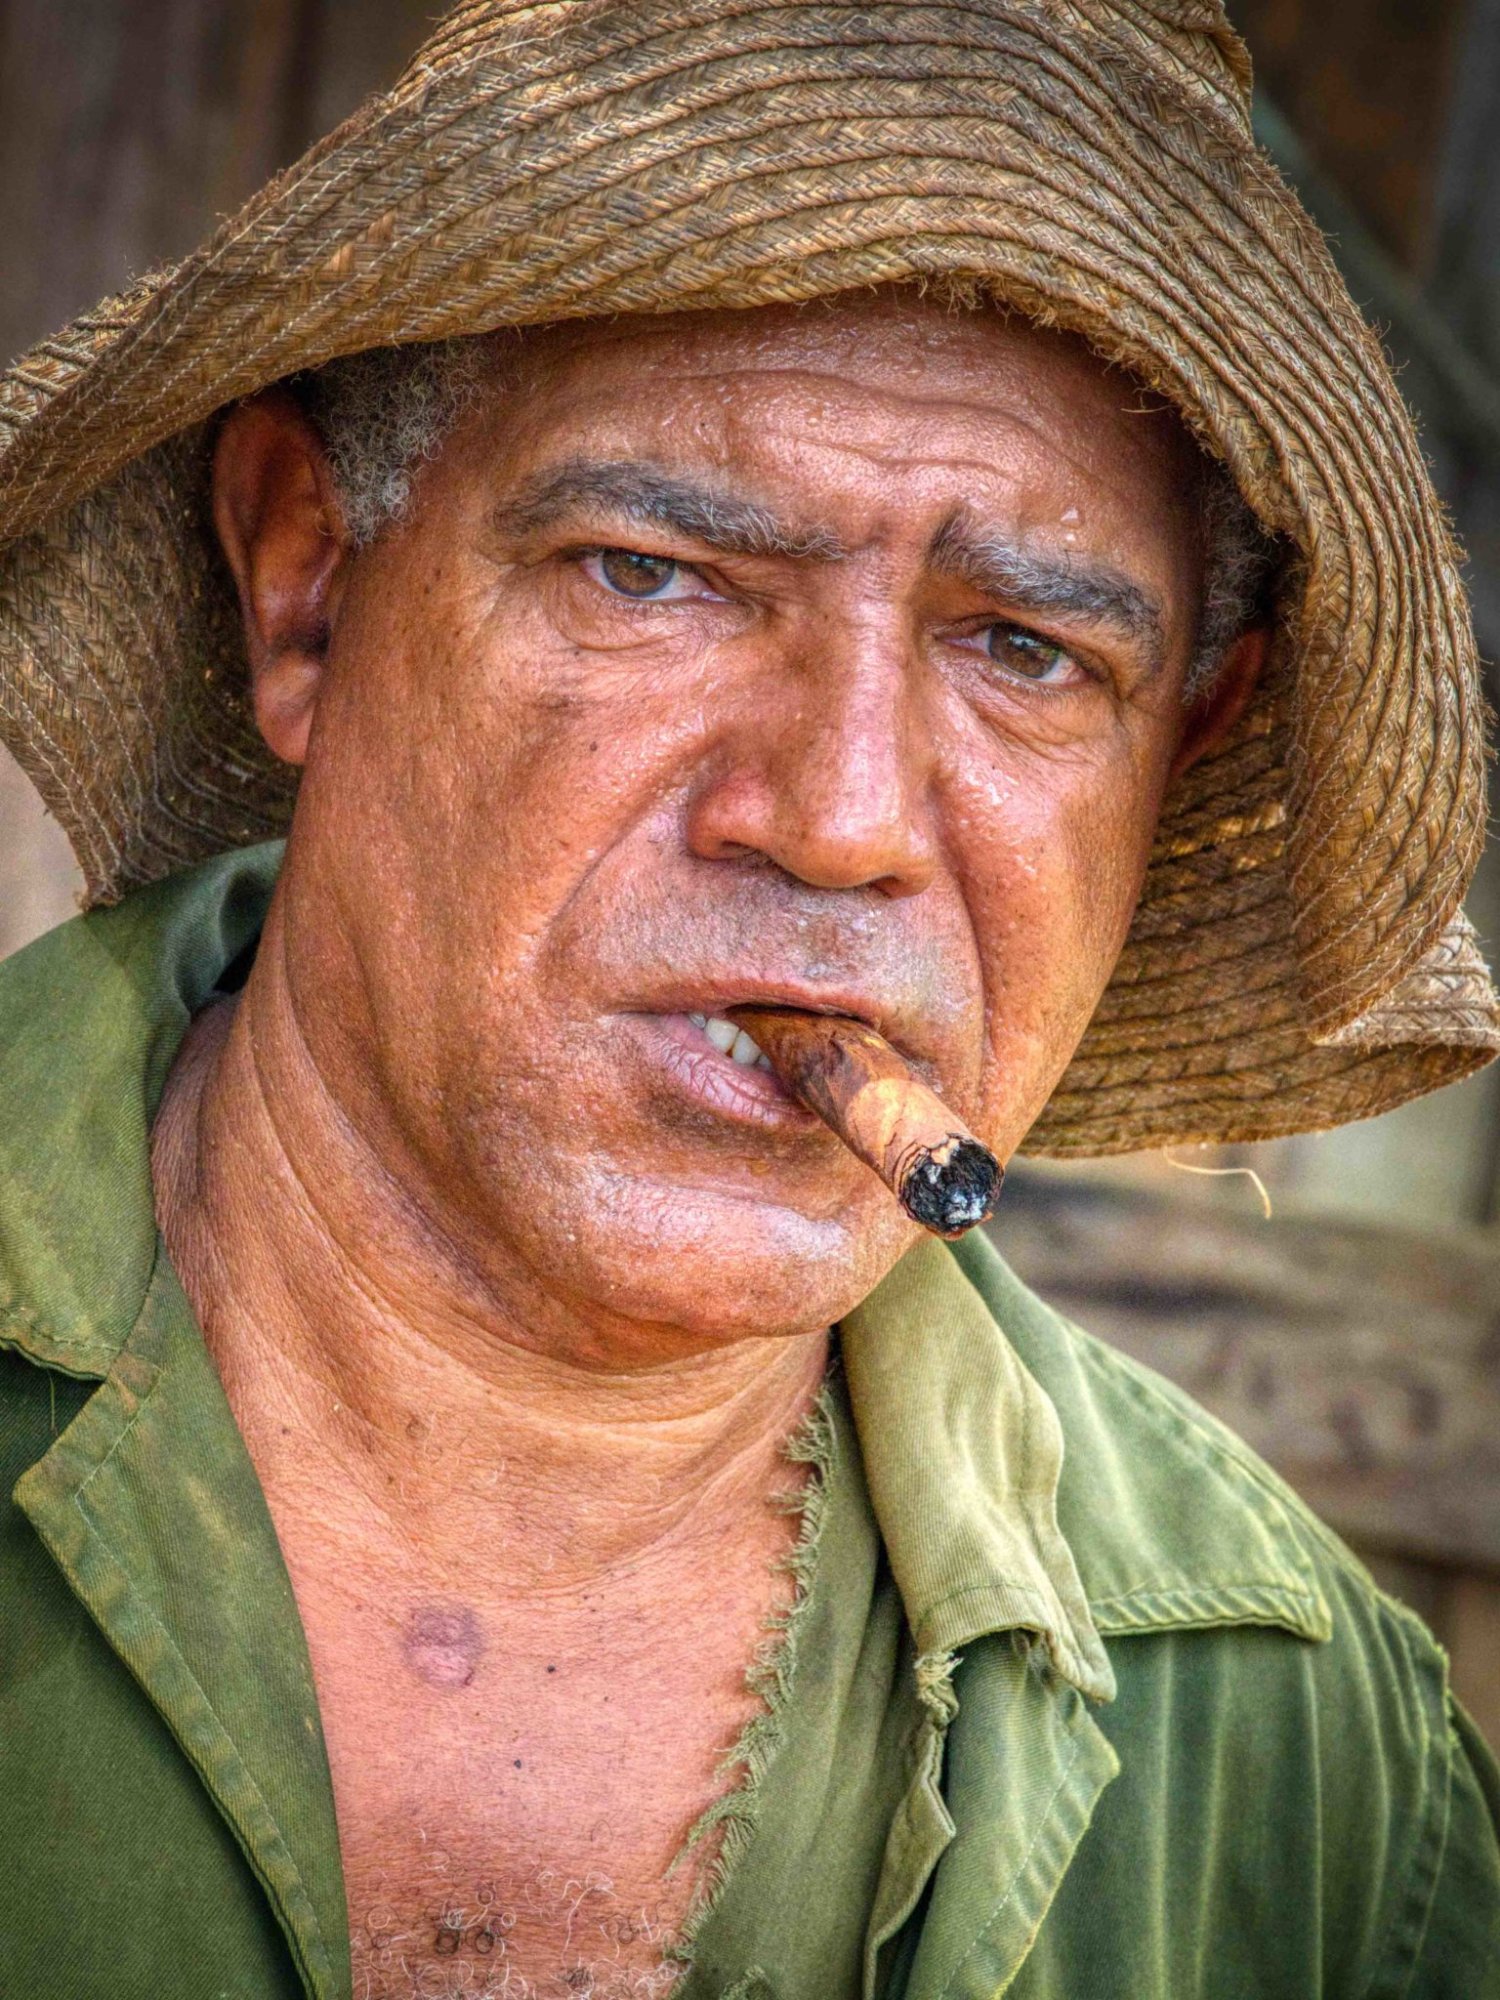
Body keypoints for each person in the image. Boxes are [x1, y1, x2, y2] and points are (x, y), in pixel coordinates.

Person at [1, 3, 1497, 1996]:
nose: (841, 817)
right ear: (311, 582)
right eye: (654, 574)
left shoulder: (1307, 1774)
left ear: (1182, 747)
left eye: (1024, 650)